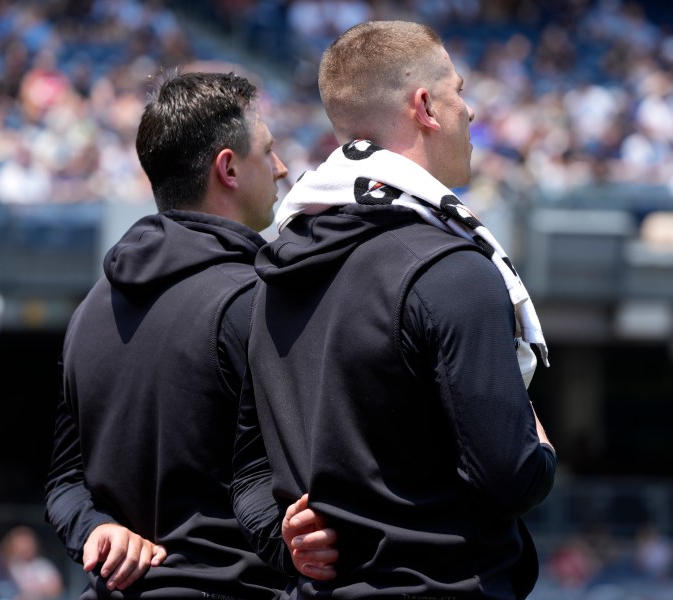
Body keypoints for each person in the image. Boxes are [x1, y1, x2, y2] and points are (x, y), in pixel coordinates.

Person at [231, 20, 556, 599]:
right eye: (459, 91)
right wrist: (539, 447)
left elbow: (249, 477)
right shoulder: (453, 271)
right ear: (426, 106)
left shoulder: (274, 272)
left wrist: (285, 539)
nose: (471, 112)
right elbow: (509, 477)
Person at [45, 69, 336, 600]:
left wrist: (95, 530)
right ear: (227, 167)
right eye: (267, 151)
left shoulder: (89, 308)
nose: (281, 167)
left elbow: (65, 484)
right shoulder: (259, 301)